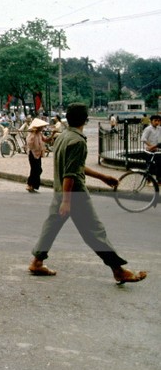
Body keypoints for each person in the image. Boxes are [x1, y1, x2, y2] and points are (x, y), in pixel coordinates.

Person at [29, 103, 147, 284]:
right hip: (74, 194)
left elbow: (75, 166)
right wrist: (68, 201)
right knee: (95, 231)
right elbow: (71, 173)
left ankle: (37, 261)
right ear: (85, 119)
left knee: (51, 227)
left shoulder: (63, 137)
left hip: (61, 191)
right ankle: (118, 269)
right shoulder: (77, 141)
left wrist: (102, 177)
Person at [26, 118, 49, 192]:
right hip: (32, 153)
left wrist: (54, 134)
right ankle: (29, 184)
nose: (42, 128)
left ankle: (32, 185)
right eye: (41, 127)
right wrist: (33, 133)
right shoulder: (31, 134)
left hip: (38, 154)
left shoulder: (40, 134)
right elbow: (29, 144)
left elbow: (46, 140)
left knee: (37, 170)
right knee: (35, 169)